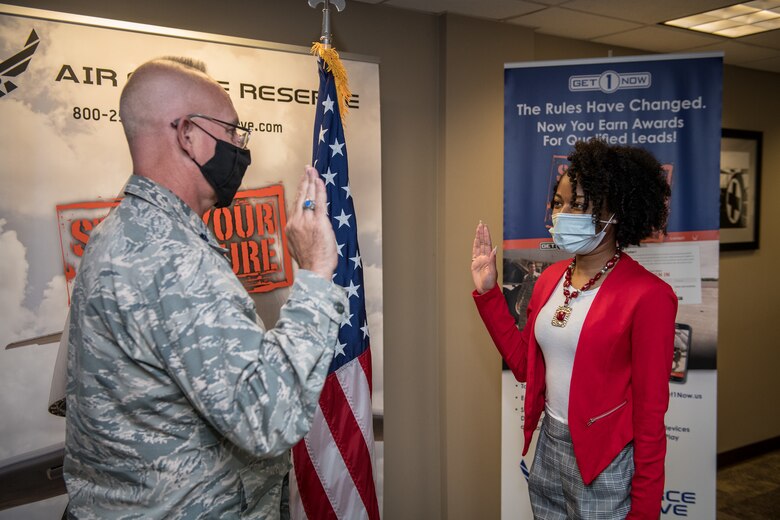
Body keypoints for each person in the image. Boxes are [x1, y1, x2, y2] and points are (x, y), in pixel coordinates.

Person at [63, 57, 348, 519]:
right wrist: (316, 272)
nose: (240, 145)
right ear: (188, 134)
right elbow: (268, 418)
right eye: (232, 131)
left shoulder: (120, 232)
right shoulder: (169, 255)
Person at [471, 139, 677, 519]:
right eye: (559, 202)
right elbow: (525, 368)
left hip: (604, 461)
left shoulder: (649, 296)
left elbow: (650, 418)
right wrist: (489, 295)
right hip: (548, 446)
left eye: (579, 204)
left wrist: (645, 511)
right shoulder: (551, 279)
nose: (562, 213)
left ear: (618, 212)